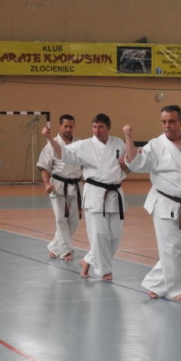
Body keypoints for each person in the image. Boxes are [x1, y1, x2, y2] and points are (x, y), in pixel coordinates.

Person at [122, 105, 181, 301]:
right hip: (165, 203)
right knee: (172, 249)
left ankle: (156, 283)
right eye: (164, 122)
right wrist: (128, 137)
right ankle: (178, 289)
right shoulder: (155, 145)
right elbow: (135, 163)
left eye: (171, 121)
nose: (167, 125)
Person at [41, 113, 126, 281]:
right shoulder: (84, 145)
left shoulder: (118, 143)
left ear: (108, 128)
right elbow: (61, 153)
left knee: (115, 237)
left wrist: (128, 140)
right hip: (94, 193)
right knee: (99, 235)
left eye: (100, 127)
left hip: (114, 194)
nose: (97, 131)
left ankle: (87, 260)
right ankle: (104, 270)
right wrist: (49, 139)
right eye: (94, 127)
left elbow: (128, 164)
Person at [37, 114, 82, 261]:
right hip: (58, 185)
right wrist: (47, 184)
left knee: (74, 221)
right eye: (65, 126)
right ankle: (66, 251)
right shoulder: (51, 144)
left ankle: (54, 247)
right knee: (61, 220)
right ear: (60, 127)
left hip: (76, 186)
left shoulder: (79, 144)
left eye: (71, 126)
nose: (68, 129)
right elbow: (44, 167)